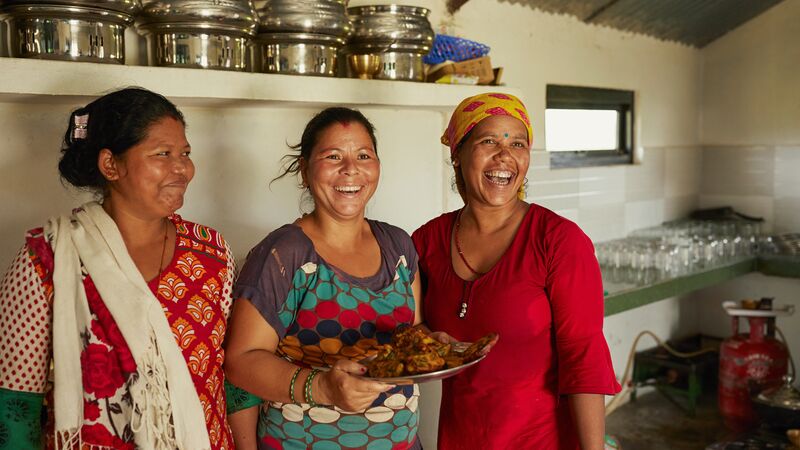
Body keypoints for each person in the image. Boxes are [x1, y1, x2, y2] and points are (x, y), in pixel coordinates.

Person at [0, 88, 235, 449]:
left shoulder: (211, 253)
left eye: (185, 153)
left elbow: (228, 375)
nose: (182, 169)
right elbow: (16, 402)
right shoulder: (48, 255)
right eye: (163, 154)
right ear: (111, 165)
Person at [412, 92, 621, 450]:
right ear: (458, 154)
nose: (505, 155)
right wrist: (430, 340)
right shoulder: (427, 240)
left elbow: (583, 357)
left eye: (518, 143)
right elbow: (413, 329)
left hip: (543, 440)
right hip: (459, 438)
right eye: (489, 140)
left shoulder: (558, 240)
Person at [224, 107, 423, 450]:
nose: (351, 169)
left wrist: (440, 346)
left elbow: (413, 332)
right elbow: (240, 363)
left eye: (363, 155)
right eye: (333, 156)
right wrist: (323, 388)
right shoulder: (285, 254)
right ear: (304, 170)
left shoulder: (398, 246)